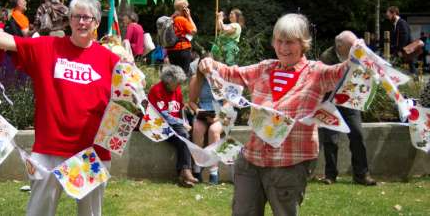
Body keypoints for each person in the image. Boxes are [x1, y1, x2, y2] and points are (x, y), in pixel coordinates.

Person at [0, 0, 120, 216]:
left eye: (87, 17)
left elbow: (129, 101)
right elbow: (7, 41)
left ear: (96, 22)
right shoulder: (47, 47)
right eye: (76, 16)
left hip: (91, 152)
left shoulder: (111, 60)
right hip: (49, 151)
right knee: (38, 212)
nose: (81, 22)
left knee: (91, 214)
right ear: (70, 20)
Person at [199, 13, 358, 216]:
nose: (283, 47)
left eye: (290, 42)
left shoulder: (316, 73)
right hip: (252, 160)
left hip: (290, 164)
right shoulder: (265, 68)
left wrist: (356, 52)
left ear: (303, 44)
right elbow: (232, 73)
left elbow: (343, 72)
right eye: (279, 41)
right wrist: (209, 63)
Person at [318, 31, 377, 186]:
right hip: (330, 101)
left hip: (350, 100)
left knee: (357, 134)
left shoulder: (358, 52)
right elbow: (324, 81)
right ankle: (330, 175)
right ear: (340, 46)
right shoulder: (326, 57)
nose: (354, 48)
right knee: (330, 140)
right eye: (351, 46)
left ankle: (361, 175)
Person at [148, 65, 198, 187]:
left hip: (175, 125)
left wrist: (185, 120)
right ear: (168, 81)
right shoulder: (156, 90)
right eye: (177, 83)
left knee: (185, 136)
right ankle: (186, 171)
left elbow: (180, 109)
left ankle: (184, 175)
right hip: (160, 125)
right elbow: (164, 115)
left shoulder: (177, 89)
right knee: (183, 137)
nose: (179, 86)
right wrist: (182, 123)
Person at [188, 53, 223, 184]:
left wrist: (217, 117)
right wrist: (198, 111)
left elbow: (228, 102)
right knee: (197, 129)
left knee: (213, 131)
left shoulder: (221, 78)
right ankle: (197, 167)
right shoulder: (196, 79)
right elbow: (191, 101)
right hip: (203, 112)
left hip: (221, 113)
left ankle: (214, 171)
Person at [168, 0, 197, 75]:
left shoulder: (170, 19)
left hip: (171, 50)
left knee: (174, 75)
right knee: (184, 75)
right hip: (182, 49)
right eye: (187, 7)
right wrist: (189, 16)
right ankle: (182, 87)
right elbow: (194, 30)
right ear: (184, 9)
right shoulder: (182, 20)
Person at [386, 6, 413, 71]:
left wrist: (401, 50)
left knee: (410, 70)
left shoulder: (401, 23)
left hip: (405, 51)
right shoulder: (397, 23)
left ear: (394, 14)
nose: (388, 18)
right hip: (402, 51)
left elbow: (405, 37)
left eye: (389, 15)